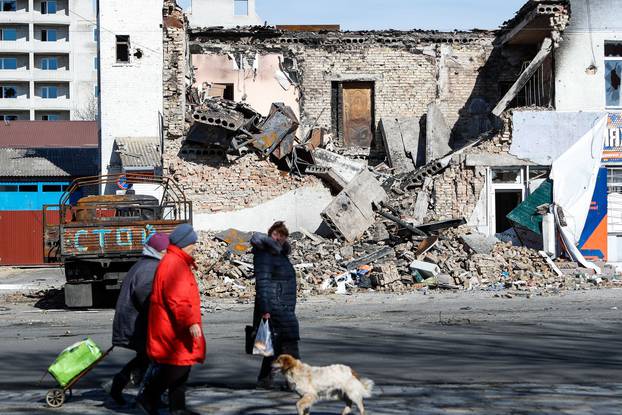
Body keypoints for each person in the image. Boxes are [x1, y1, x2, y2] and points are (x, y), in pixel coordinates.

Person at [137, 224, 205, 415]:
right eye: (192, 243)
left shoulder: (176, 260)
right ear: (184, 244)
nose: (195, 247)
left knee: (182, 366)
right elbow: (177, 299)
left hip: (172, 324)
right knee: (177, 367)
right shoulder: (174, 264)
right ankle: (148, 398)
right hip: (173, 327)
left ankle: (177, 408)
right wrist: (190, 321)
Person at [109, 232, 170, 405]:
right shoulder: (151, 269)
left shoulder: (145, 264)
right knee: (159, 359)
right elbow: (149, 298)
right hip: (139, 324)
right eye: (167, 251)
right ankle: (151, 396)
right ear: (160, 251)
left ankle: (119, 384)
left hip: (135, 321)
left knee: (145, 358)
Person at [251, 221, 300, 389]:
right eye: (276, 234)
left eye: (283, 235)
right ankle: (295, 382)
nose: (279, 237)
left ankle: (264, 381)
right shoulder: (265, 254)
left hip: (284, 306)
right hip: (275, 307)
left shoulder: (280, 254)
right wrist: (265, 310)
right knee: (289, 344)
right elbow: (262, 284)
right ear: (271, 234)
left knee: (276, 345)